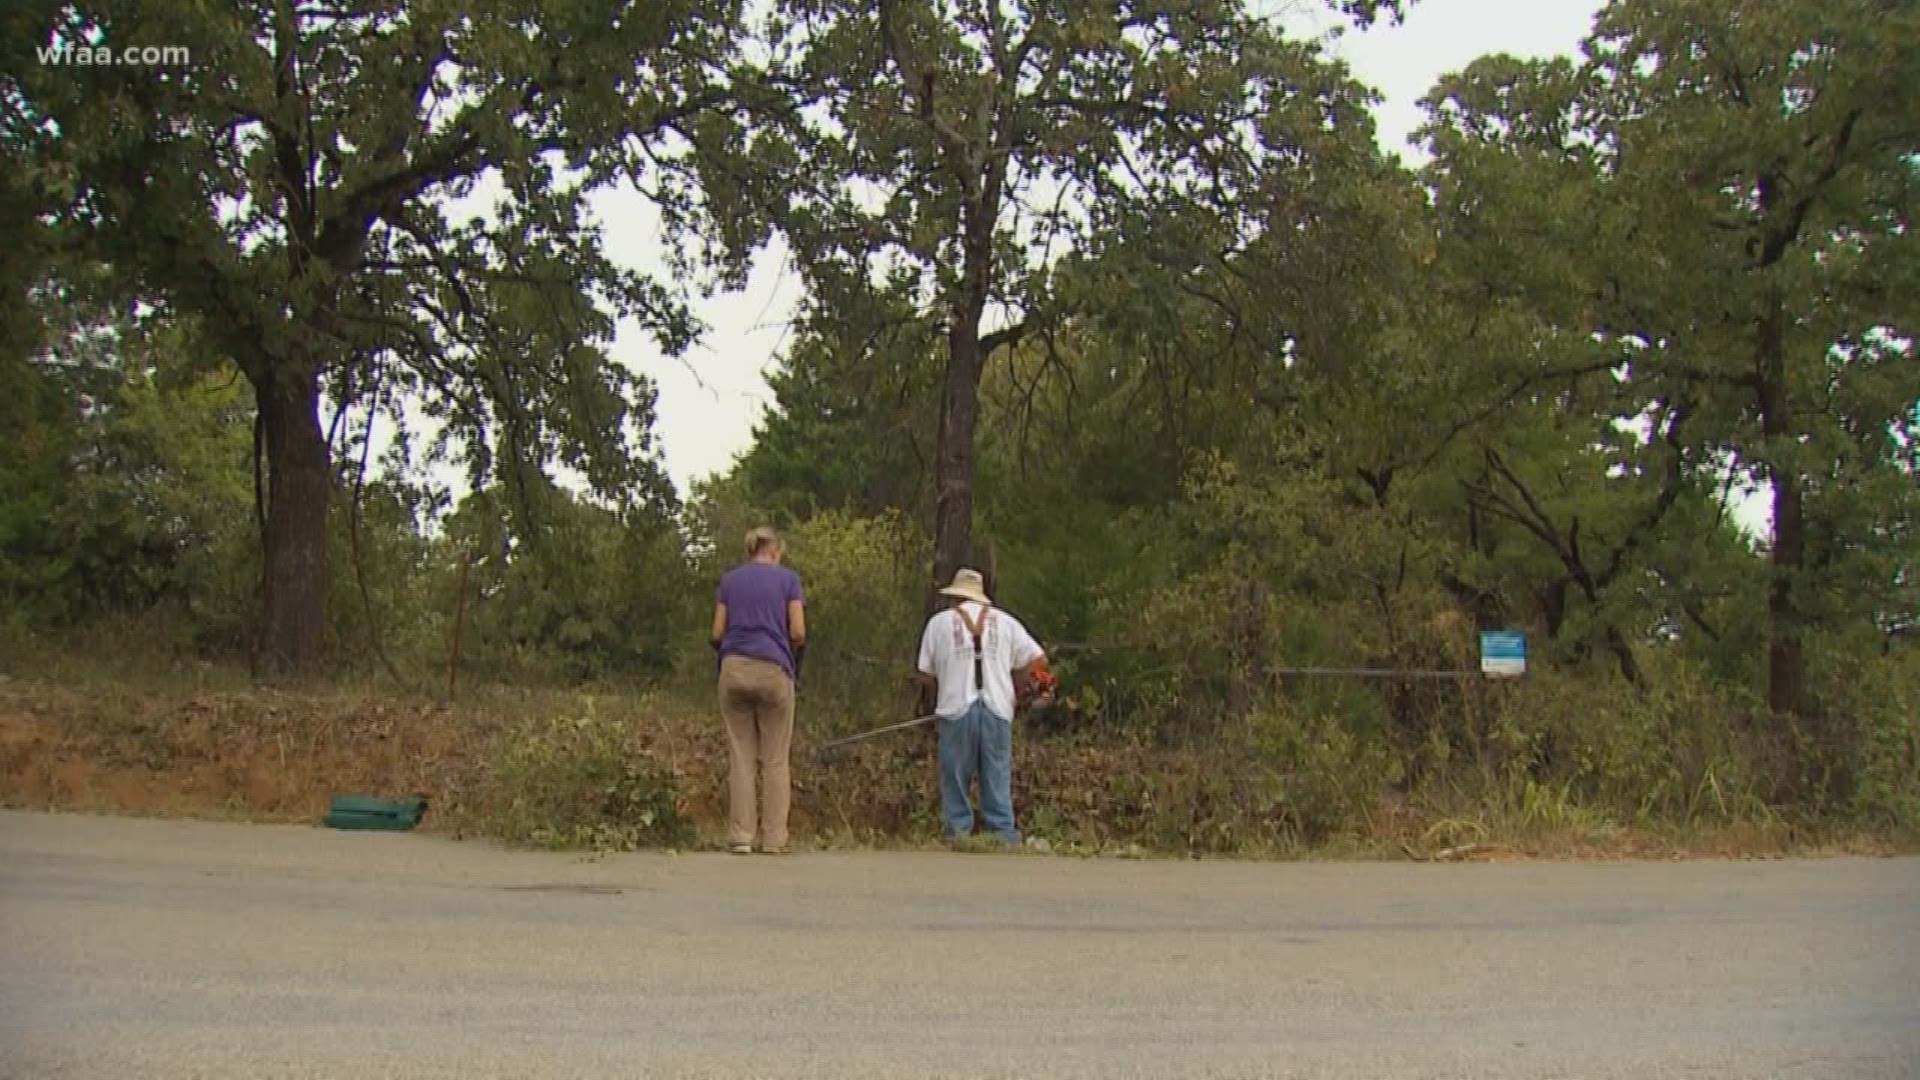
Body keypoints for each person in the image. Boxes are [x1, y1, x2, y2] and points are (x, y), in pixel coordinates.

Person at [914, 567, 1047, 847]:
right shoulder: (1006, 622)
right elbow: (1037, 658)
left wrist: (946, 680)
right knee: (996, 773)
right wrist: (1017, 686)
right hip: (998, 707)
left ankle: (959, 834)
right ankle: (1002, 836)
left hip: (955, 708)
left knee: (955, 776)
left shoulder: (938, 624)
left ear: (955, 598)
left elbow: (925, 673)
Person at [711, 526, 807, 854]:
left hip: (734, 667)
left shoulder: (730, 580)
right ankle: (774, 838)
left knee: (741, 755)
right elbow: (798, 630)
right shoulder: (788, 580)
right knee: (775, 758)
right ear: (776, 549)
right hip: (773, 668)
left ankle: (741, 836)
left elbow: (717, 631)